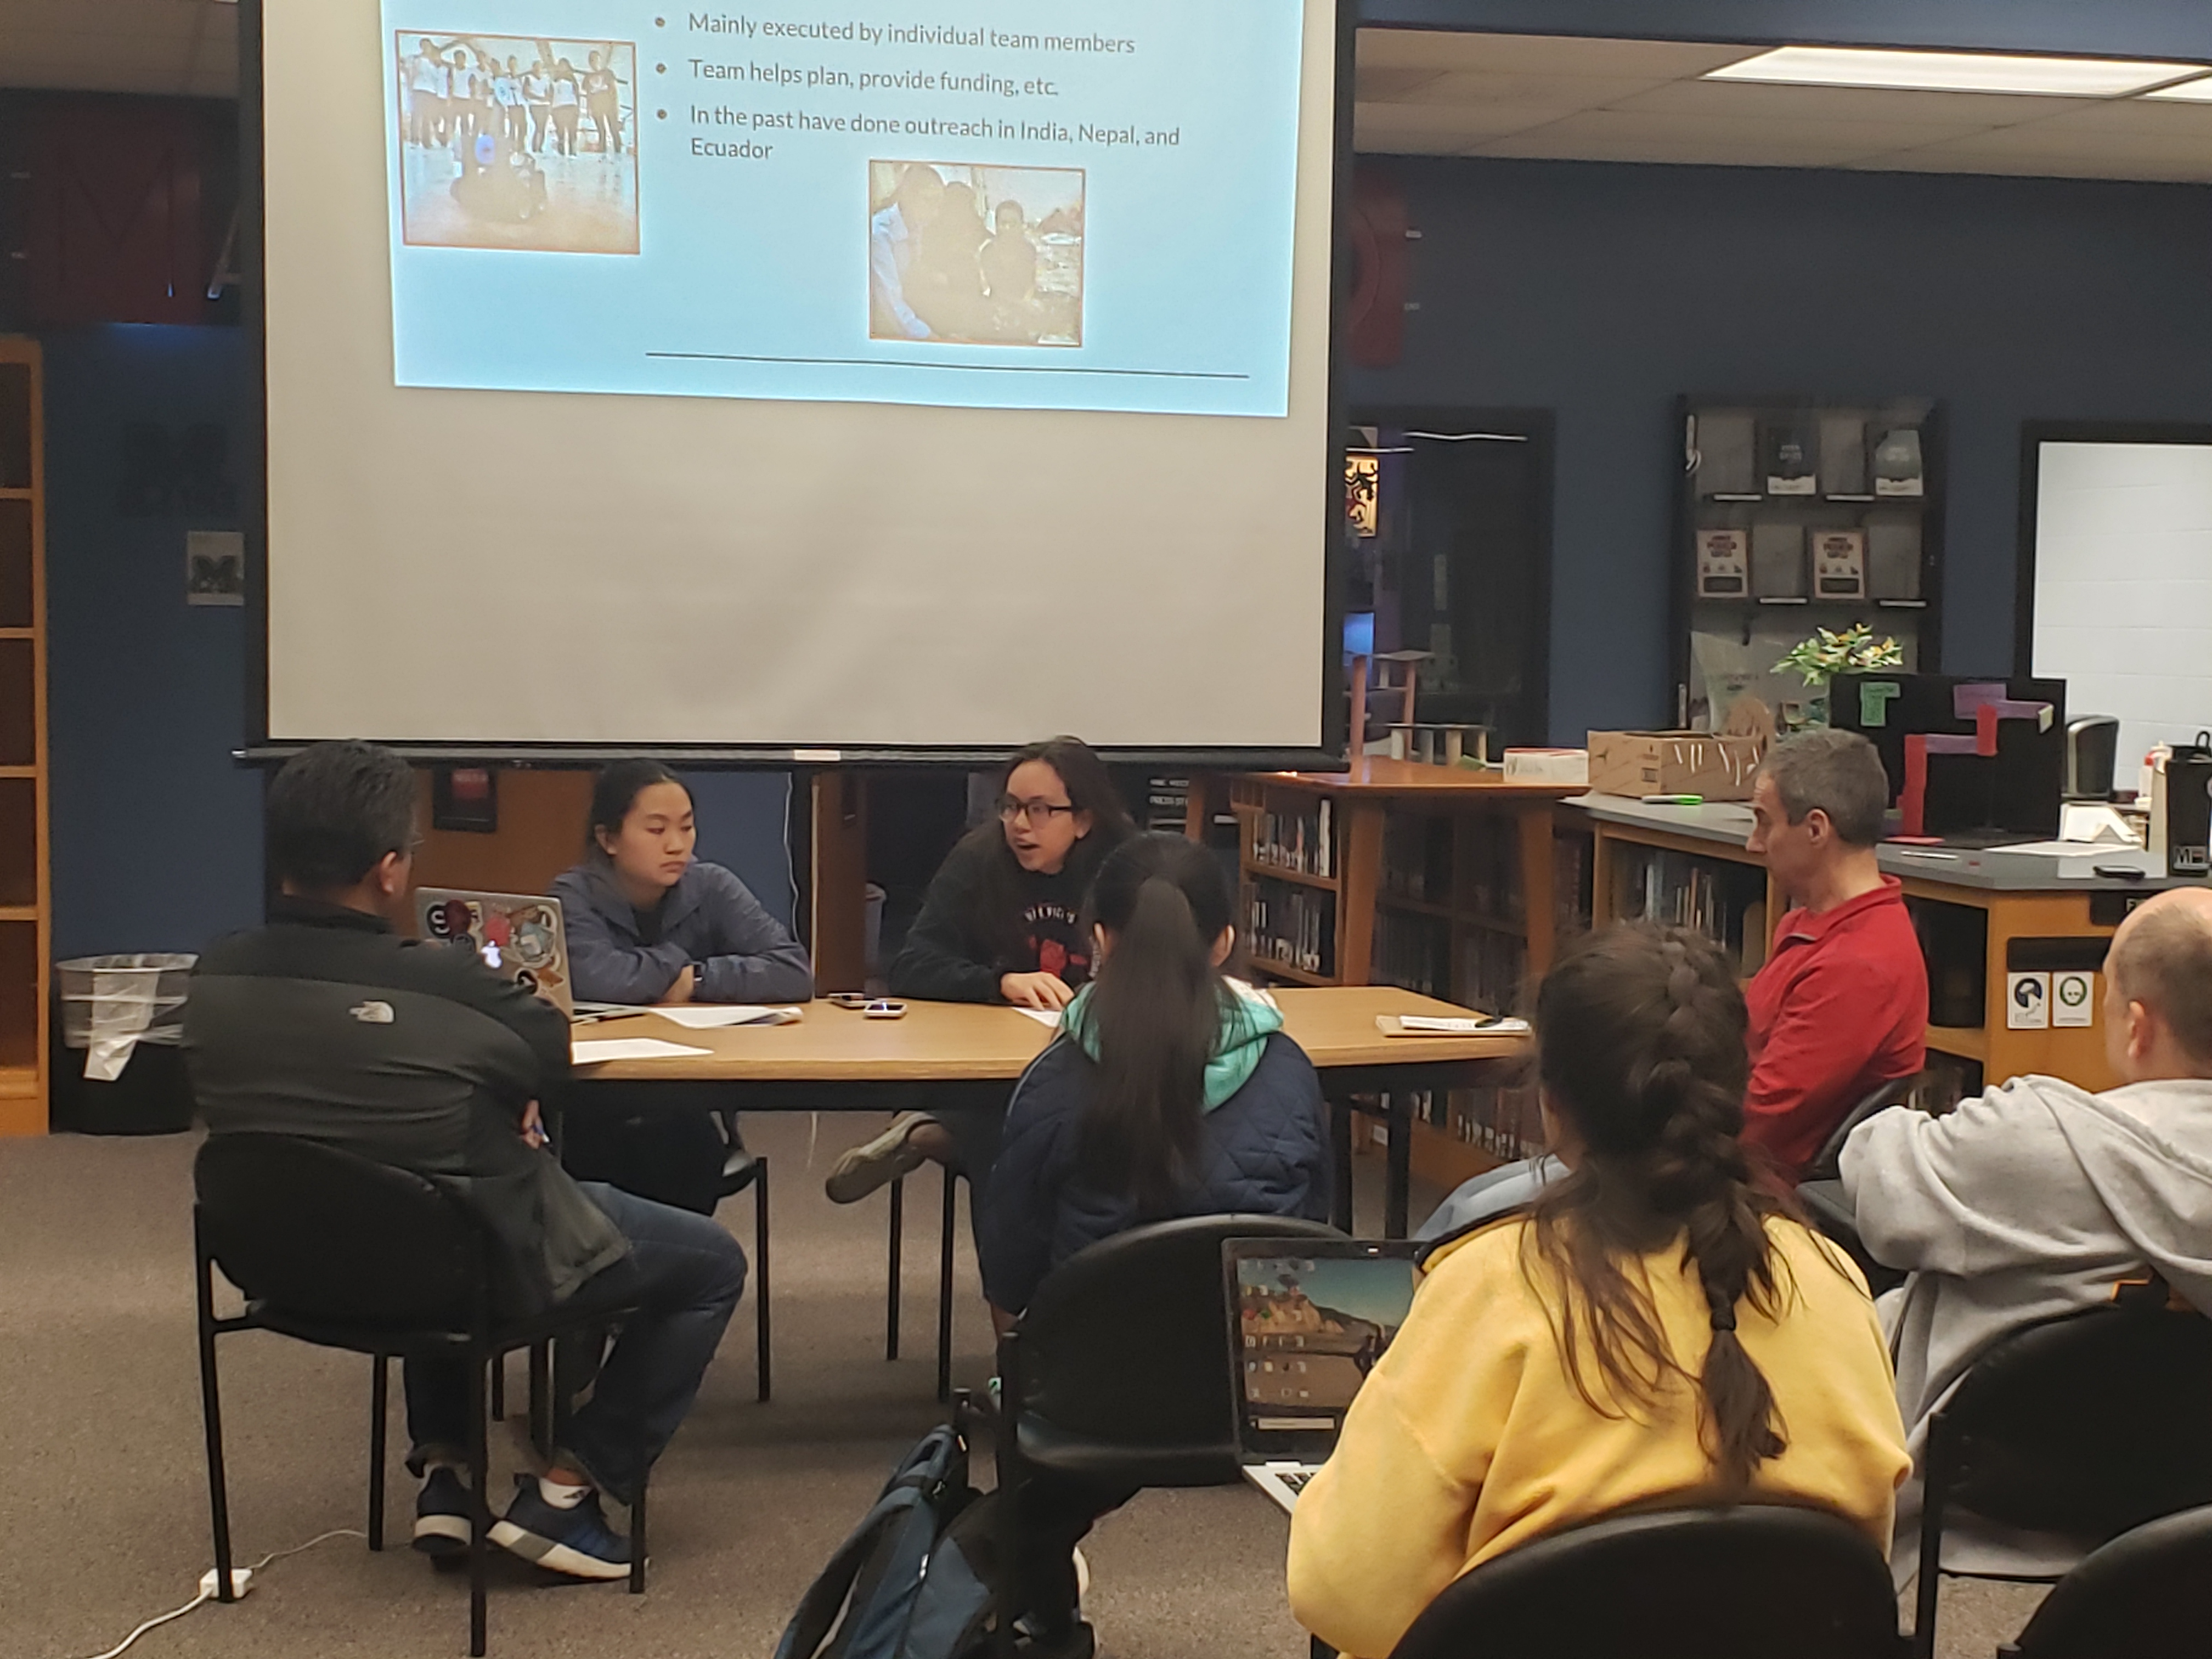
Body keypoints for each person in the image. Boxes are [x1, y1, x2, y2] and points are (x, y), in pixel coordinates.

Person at [185, 742, 746, 1581]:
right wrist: (500, 1093)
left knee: (414, 1175)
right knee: (709, 1266)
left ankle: (446, 1474)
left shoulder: (214, 978)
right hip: (455, 1263)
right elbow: (548, 1056)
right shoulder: (451, 988)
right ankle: (569, 1494)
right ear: (389, 871)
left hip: (283, 1263)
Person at [1288, 924, 1911, 1659]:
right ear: (1735, 1091)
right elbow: (1860, 1550)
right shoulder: (1830, 1283)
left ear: (1552, 1107)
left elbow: (1345, 1592)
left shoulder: (1490, 1289)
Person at [980, 831, 1330, 1651]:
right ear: (1224, 943)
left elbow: (1011, 1271)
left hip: (1091, 1405)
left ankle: (1046, 1615)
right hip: (1267, 1392)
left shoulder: (1056, 1082)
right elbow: (1320, 1243)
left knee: (1011, 1443)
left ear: (1097, 938)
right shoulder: (1292, 1071)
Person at [1418, 728, 1927, 1236]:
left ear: (1816, 829)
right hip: (1684, 1151)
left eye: (1763, 822)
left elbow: (1760, 1119)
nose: (1754, 844)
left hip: (1715, 1184)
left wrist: (1622, 1133)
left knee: (1469, 1219)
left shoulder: (1861, 964)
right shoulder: (1812, 925)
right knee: (1471, 1202)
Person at [1842, 886, 2212, 1583]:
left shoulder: (2043, 1141)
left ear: (2137, 1026)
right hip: (2183, 1522)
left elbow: (1878, 1185)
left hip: (1983, 1513)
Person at [823, 736, 1133, 1205]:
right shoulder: (978, 860)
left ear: (1084, 819)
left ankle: (935, 1132)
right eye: (1010, 807)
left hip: (1100, 1059)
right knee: (1010, 1128)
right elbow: (911, 966)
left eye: (1040, 810)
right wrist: (1000, 984)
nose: (1020, 826)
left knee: (1036, 1126)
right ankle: (1014, 1273)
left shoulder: (1126, 867)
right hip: (997, 1067)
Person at [550, 760, 813, 1214]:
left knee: (682, 1151)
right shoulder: (573, 895)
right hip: (594, 1102)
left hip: (681, 1100)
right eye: (656, 830)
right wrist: (675, 959)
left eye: (687, 828)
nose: (677, 846)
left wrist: (699, 979)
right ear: (608, 838)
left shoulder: (710, 886)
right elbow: (603, 979)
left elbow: (792, 969)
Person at [870, 163, 945, 341]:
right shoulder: (880, 234)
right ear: (907, 195)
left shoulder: (918, 224)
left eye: (939, 204)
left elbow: (914, 274)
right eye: (929, 201)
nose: (935, 213)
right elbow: (891, 304)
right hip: (881, 324)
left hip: (909, 311)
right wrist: (932, 338)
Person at [584, 48, 623, 155]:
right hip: (597, 107)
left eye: (596, 59)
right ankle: (603, 151)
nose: (594, 63)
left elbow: (614, 91)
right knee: (601, 131)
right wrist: (589, 109)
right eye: (592, 60)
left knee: (613, 129)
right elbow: (588, 95)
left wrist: (616, 106)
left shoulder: (608, 73)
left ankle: (618, 151)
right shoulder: (588, 78)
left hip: (609, 106)